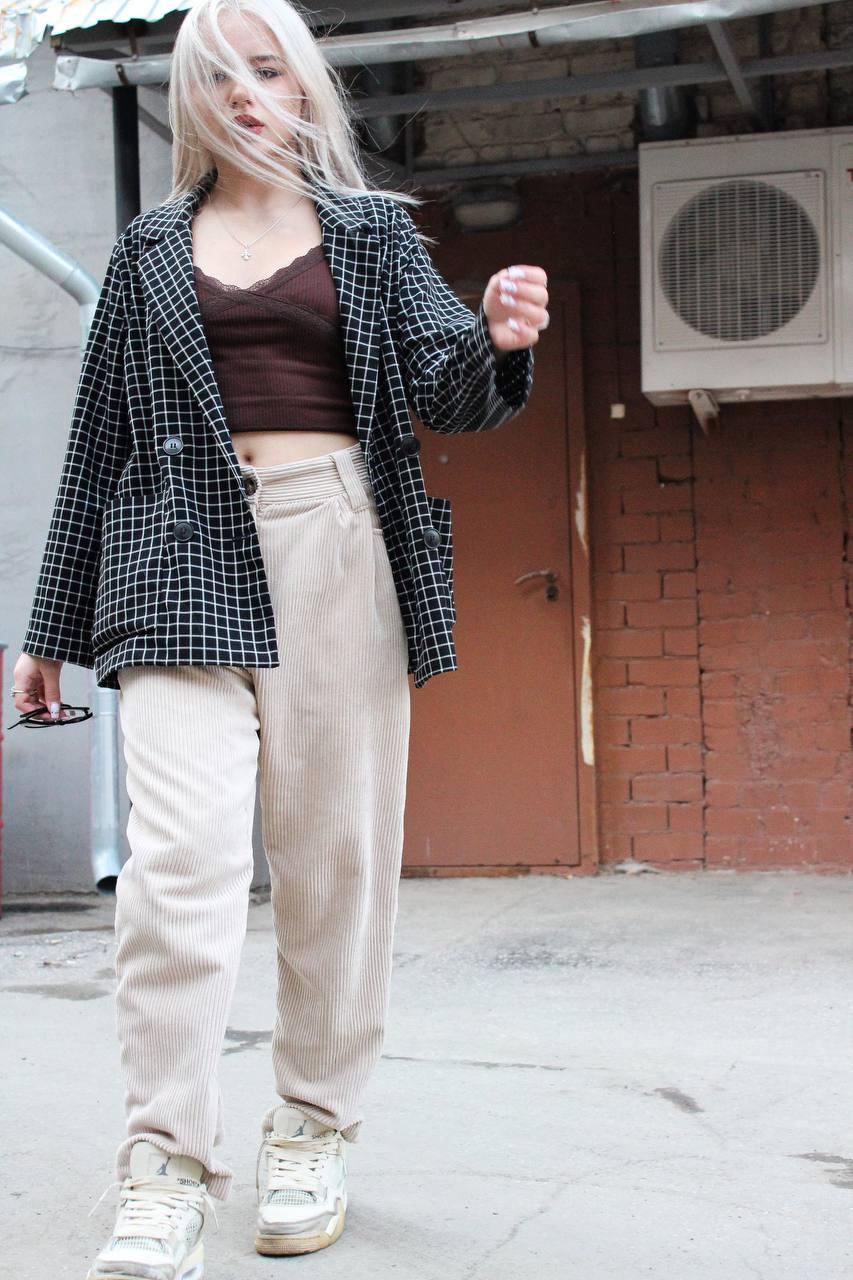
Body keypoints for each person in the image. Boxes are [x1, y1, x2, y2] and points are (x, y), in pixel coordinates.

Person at [12, 0, 548, 1274]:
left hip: (337, 542)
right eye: (219, 76)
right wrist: (47, 626)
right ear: (191, 100)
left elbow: (445, 385)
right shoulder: (149, 250)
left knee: (335, 868)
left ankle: (311, 1126)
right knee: (177, 872)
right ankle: (163, 1161)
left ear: (304, 85)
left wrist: (495, 336)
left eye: (267, 69)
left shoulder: (369, 232)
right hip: (175, 552)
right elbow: (96, 442)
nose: (245, 93)